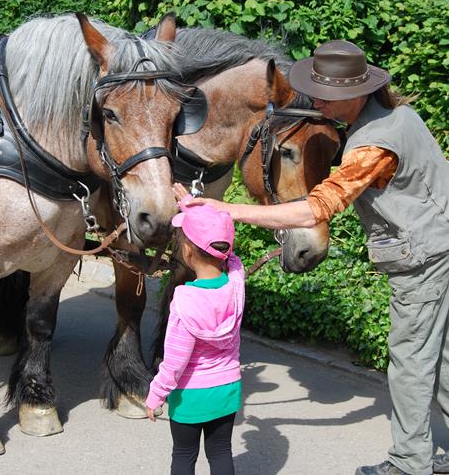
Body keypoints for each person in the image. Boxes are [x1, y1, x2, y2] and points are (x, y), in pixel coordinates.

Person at [181, 40, 449, 475]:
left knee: (412, 364)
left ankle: (409, 464)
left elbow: (315, 208)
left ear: (356, 93)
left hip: (424, 259)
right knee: (444, 360)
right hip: (444, 246)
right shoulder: (401, 117)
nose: (317, 101)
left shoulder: (372, 145)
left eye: (325, 95)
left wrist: (225, 208)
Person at [145, 195, 245, 475]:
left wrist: (156, 394)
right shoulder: (236, 286)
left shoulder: (184, 299)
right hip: (227, 389)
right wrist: (195, 206)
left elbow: (174, 362)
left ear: (187, 252)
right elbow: (233, 261)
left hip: (190, 395)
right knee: (221, 453)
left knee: (184, 455)